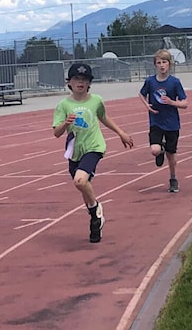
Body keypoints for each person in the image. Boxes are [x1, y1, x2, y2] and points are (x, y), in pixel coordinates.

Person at [53, 63, 134, 243]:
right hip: (75, 151)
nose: (80, 83)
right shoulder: (63, 105)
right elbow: (56, 133)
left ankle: (96, 208)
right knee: (82, 185)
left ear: (89, 83)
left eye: (84, 80)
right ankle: (95, 216)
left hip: (94, 147)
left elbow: (103, 117)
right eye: (76, 79)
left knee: (80, 180)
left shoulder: (96, 100)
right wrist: (66, 123)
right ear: (69, 82)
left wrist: (121, 133)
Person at [139, 49, 188, 193]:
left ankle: (173, 179)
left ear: (169, 64)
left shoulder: (174, 82)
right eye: (159, 63)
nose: (162, 65)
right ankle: (160, 150)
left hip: (172, 123)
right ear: (155, 65)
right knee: (154, 150)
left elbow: (185, 103)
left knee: (171, 154)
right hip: (156, 122)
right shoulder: (150, 81)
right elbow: (141, 94)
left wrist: (172, 102)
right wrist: (146, 105)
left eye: (164, 62)